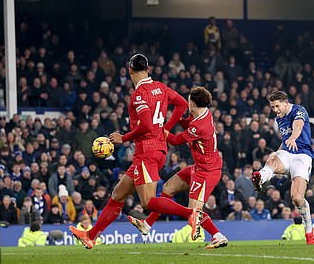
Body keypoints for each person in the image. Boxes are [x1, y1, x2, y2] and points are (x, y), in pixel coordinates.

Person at [70, 54, 187, 249]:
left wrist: (122, 138)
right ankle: (90, 236)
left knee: (148, 202)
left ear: (129, 70)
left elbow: (147, 125)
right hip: (157, 149)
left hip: (146, 151)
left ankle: (192, 214)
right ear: (148, 69)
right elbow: (182, 104)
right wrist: (167, 128)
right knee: (118, 195)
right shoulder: (161, 87)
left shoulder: (139, 94)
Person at [127, 86, 228, 249]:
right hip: (199, 166)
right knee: (168, 187)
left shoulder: (199, 126)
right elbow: (186, 121)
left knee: (193, 212)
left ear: (193, 103)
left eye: (188, 101)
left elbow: (173, 140)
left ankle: (218, 235)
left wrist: (158, 127)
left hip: (207, 172)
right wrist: (170, 118)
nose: (187, 104)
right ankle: (147, 225)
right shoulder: (203, 113)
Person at [251, 90, 314, 245]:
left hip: (302, 156)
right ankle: (261, 178)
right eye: (273, 107)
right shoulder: (278, 118)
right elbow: (286, 141)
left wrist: (294, 138)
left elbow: (298, 126)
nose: (275, 110)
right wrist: (281, 149)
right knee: (273, 157)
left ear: (286, 103)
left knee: (297, 199)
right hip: (287, 153)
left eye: (277, 106)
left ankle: (309, 230)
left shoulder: (299, 110)